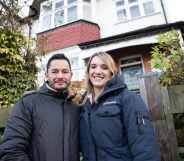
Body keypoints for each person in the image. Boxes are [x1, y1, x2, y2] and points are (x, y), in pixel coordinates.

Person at [80, 52, 160, 161]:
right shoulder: (84, 105)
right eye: (93, 67)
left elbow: (144, 146)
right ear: (88, 71)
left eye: (104, 67)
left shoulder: (128, 99)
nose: (97, 71)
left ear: (111, 72)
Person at [0, 54, 80, 161]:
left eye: (65, 71)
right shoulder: (28, 102)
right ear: (46, 75)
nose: (60, 76)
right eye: (55, 71)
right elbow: (11, 149)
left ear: (71, 75)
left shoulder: (75, 105)